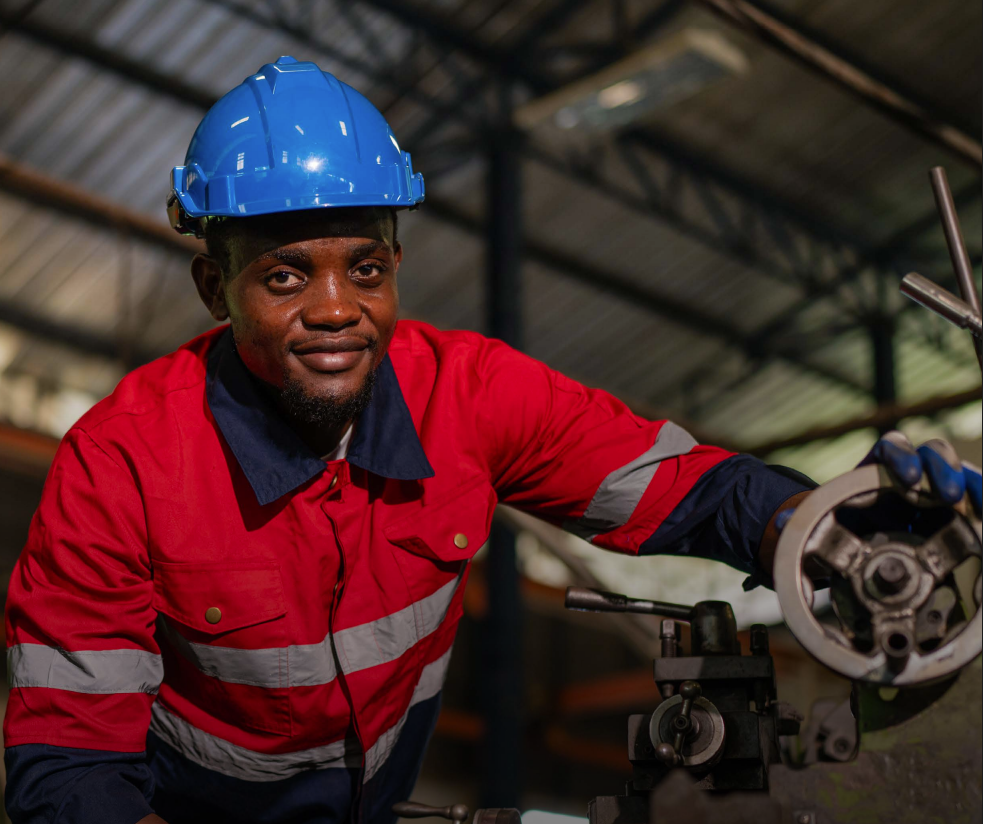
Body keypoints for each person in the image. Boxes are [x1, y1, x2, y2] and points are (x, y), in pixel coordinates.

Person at [4, 57, 979, 824]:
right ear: (215, 289)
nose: (337, 310)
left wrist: (846, 527)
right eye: (286, 276)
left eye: (367, 266)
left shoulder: (469, 395)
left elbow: (689, 491)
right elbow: (70, 772)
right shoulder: (120, 465)